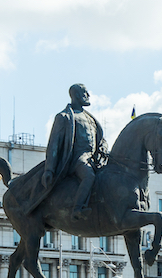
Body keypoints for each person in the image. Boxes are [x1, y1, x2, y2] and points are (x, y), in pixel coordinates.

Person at [37, 83, 108, 220]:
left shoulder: (90, 118)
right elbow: (54, 145)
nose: (88, 96)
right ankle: (78, 208)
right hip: (77, 158)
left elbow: (100, 139)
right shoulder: (64, 117)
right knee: (89, 176)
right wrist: (49, 170)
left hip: (93, 158)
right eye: (85, 93)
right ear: (76, 95)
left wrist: (103, 147)